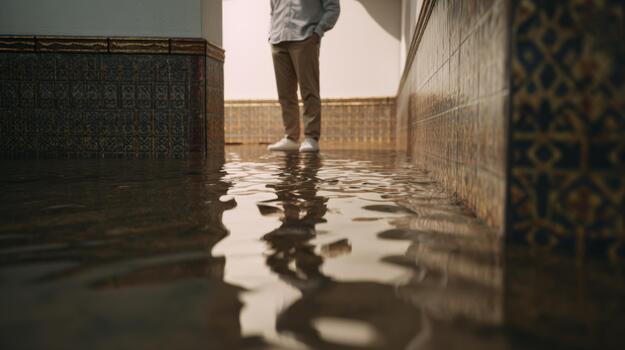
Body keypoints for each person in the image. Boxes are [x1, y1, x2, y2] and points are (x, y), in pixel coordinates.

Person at [267, 0, 341, 152]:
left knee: (309, 90)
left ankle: (311, 137)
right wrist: (270, 33)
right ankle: (291, 137)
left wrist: (318, 32)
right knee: (285, 94)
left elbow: (333, 8)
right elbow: (273, 9)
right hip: (278, 39)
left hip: (305, 38)